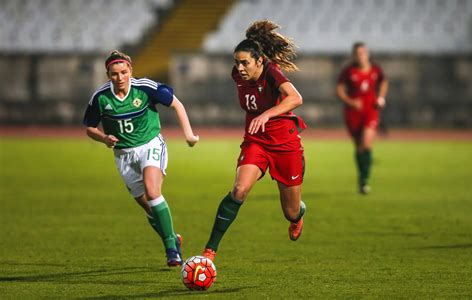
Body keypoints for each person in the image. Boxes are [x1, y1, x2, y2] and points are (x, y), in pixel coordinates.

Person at [202, 20, 307, 261]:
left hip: (284, 143)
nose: (239, 67)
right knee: (239, 189)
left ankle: (299, 214)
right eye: (236, 62)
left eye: (245, 62)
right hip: (256, 140)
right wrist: (259, 118)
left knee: (290, 211)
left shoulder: (272, 72)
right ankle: (210, 250)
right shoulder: (238, 74)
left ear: (259, 61)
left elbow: (295, 98)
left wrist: (267, 114)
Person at [83, 50, 199, 266]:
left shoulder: (145, 87)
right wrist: (104, 138)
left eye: (123, 72)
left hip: (150, 145)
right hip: (123, 155)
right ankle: (174, 237)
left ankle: (170, 249)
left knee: (152, 191)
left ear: (131, 71)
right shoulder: (100, 98)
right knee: (148, 206)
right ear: (108, 75)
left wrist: (189, 134)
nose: (120, 78)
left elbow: (177, 104)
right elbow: (89, 127)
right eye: (114, 74)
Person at [336, 42, 389, 194]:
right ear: (354, 55)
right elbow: (339, 89)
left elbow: (384, 82)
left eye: (363, 53)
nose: (361, 56)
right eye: (358, 53)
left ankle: (365, 179)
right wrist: (351, 102)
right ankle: (362, 178)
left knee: (366, 142)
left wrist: (381, 97)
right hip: (353, 113)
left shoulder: (375, 69)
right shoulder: (349, 71)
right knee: (359, 146)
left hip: (370, 110)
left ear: (367, 54)